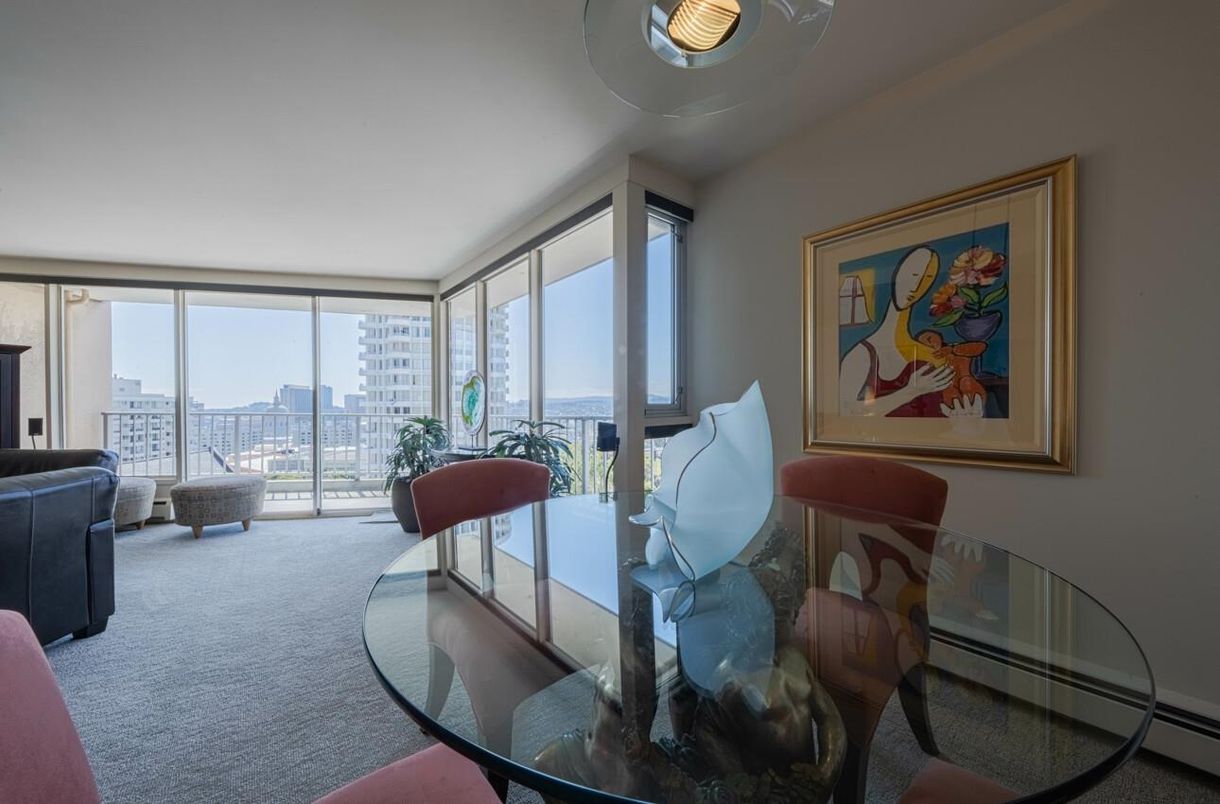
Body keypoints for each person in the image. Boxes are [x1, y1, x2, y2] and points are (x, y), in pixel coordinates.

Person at [839, 246, 956, 417]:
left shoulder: (924, 351)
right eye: (914, 275)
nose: (916, 285)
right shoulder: (862, 354)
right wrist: (910, 392)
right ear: (897, 275)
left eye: (927, 278)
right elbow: (845, 413)